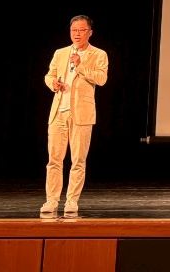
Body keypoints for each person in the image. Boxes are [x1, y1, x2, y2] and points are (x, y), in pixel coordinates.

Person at [40, 15, 108, 217]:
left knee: (78, 160)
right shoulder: (60, 53)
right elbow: (49, 75)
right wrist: (53, 84)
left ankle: (71, 201)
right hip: (59, 112)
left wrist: (80, 65)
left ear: (90, 32)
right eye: (74, 30)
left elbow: (101, 79)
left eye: (81, 30)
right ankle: (51, 200)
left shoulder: (99, 54)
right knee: (54, 160)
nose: (77, 34)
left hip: (82, 114)